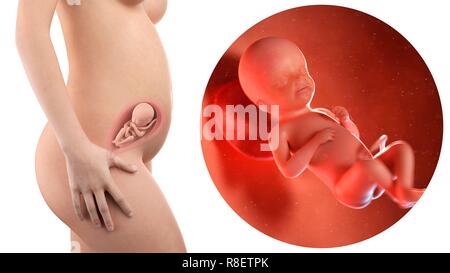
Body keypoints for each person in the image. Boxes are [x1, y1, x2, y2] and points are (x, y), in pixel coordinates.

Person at [16, 0, 185, 252]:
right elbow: (29, 35)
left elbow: (150, 8)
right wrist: (76, 149)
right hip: (90, 152)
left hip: (122, 149)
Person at [238, 37, 425, 209]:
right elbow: (289, 170)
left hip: (372, 175)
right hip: (348, 187)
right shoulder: (281, 132)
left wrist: (346, 120)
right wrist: (315, 142)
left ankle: (404, 188)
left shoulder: (322, 113)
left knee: (400, 148)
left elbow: (352, 137)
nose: (300, 79)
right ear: (265, 104)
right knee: (367, 166)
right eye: (283, 80)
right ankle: (400, 195)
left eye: (302, 70)